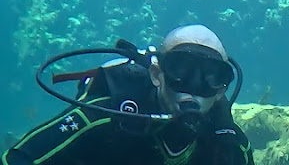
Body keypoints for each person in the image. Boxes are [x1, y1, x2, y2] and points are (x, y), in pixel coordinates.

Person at [2, 24, 254, 165]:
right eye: (181, 70)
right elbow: (19, 159)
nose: (193, 88)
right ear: (157, 75)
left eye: (211, 77)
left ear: (222, 89)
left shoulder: (230, 147)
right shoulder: (105, 117)